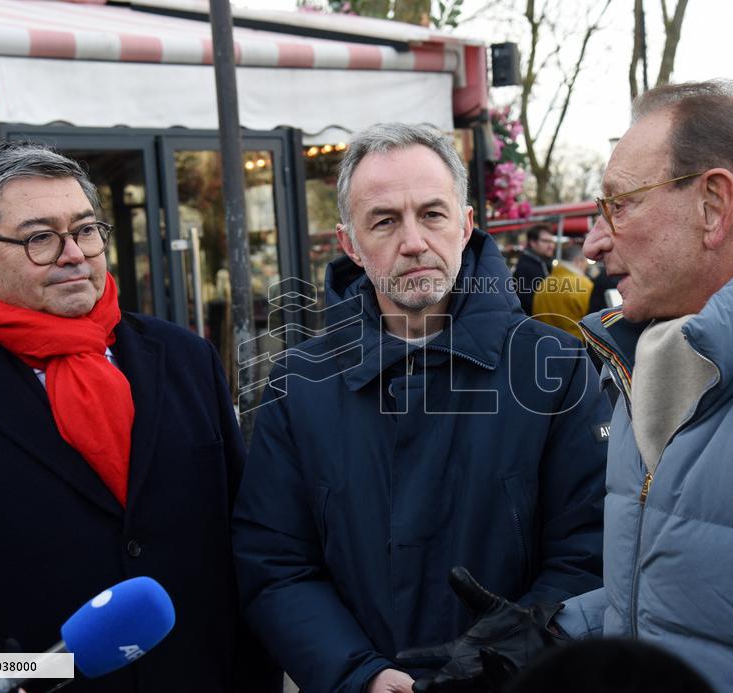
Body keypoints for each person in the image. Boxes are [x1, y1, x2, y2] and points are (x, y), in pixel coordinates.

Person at [408, 79, 733, 691]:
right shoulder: (647, 363)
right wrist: (548, 637)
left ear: (713, 206)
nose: (593, 243)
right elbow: (687, 605)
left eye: (619, 206)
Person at [233, 123, 610, 693]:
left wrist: (504, 658)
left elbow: (590, 549)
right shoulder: (299, 382)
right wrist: (357, 673)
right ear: (349, 244)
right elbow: (275, 562)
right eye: (384, 221)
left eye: (432, 214)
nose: (413, 241)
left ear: (465, 224)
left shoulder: (556, 366)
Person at [0, 142, 279, 693]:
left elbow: (244, 548)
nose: (73, 255)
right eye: (40, 238)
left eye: (85, 230)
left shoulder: (185, 358)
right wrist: (7, 675)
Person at [532, 243, 594, 339]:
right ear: (579, 261)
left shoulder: (544, 283)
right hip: (575, 344)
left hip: (544, 341)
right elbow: (593, 321)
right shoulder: (585, 285)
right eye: (586, 262)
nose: (586, 267)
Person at [511, 224, 555, 314]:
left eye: (552, 241)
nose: (551, 246)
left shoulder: (540, 262)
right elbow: (526, 302)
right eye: (546, 241)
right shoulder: (526, 266)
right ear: (533, 243)